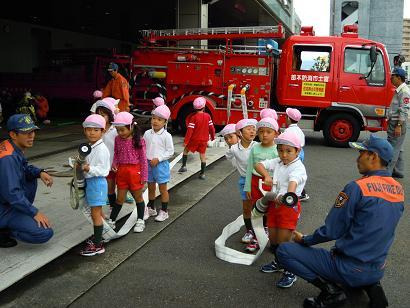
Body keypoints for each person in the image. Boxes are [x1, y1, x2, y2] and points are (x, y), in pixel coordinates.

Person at [276, 134, 403, 308]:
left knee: (284, 251)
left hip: (348, 266)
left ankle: (333, 291)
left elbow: (332, 231)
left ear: (373, 156)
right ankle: (367, 286)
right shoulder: (398, 189)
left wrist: (304, 239)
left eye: (361, 153)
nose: (357, 158)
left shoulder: (357, 187)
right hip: (377, 268)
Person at [253, 130, 307, 288]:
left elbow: (293, 183)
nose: (284, 155)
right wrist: (266, 176)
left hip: (288, 206)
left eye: (288, 151)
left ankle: (291, 271)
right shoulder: (278, 162)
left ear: (298, 151)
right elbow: (259, 164)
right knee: (274, 240)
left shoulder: (298, 168)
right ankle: (279, 262)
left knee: (285, 242)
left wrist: (288, 195)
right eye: (280, 150)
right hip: (274, 204)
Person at [0, 114, 53, 248]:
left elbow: (24, 168)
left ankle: (13, 220)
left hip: (6, 203)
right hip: (4, 208)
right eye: (26, 132)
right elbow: (12, 193)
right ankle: (5, 229)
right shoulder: (8, 159)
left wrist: (40, 172)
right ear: (13, 134)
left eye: (33, 131)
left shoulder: (10, 146)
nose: (32, 135)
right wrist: (34, 212)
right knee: (44, 233)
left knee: (31, 177)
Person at [243, 117, 279, 252]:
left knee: (270, 210)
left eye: (268, 132)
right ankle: (256, 237)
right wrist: (247, 186)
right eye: (261, 131)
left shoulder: (278, 150)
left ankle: (267, 231)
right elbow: (249, 168)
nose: (264, 135)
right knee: (256, 210)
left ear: (276, 133)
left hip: (271, 184)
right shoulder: (255, 148)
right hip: (255, 182)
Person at [109, 112, 148, 232]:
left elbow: (143, 159)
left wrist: (144, 176)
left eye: (122, 130)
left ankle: (140, 220)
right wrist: (114, 164)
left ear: (131, 127)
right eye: (117, 130)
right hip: (121, 172)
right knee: (120, 198)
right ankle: (112, 221)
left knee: (138, 197)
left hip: (134, 171)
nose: (120, 133)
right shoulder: (117, 139)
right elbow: (116, 153)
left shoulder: (139, 140)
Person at [79, 114, 111, 256]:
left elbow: (104, 170)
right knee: (97, 213)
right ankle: (102, 235)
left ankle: (98, 245)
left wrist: (88, 168)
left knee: (95, 214)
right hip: (91, 183)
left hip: (97, 184)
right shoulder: (90, 147)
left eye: (96, 130)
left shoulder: (102, 149)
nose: (92, 132)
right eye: (89, 129)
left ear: (103, 131)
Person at [225, 119, 257, 244]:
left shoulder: (256, 146)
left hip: (257, 179)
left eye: (254, 129)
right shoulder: (234, 149)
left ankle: (262, 229)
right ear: (239, 132)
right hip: (244, 180)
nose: (252, 131)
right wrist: (236, 165)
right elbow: (228, 156)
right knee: (246, 208)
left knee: (259, 207)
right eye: (249, 129)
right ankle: (249, 231)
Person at [143, 105, 174, 222]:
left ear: (165, 121)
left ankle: (164, 211)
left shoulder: (167, 136)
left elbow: (170, 151)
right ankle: (151, 208)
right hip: (148, 163)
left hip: (161, 165)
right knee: (150, 187)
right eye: (154, 118)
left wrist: (159, 158)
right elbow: (143, 148)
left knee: (162, 189)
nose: (155, 121)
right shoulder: (147, 133)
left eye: (159, 119)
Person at [178, 97, 215, 180]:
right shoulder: (208, 116)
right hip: (204, 140)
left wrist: (186, 141)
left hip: (194, 139)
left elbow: (189, 131)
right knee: (202, 156)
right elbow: (212, 128)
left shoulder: (193, 117)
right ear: (204, 107)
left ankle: (184, 166)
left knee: (186, 150)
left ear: (194, 108)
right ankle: (202, 174)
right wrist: (212, 137)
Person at [95, 99, 118, 213]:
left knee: (125, 187)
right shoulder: (97, 130)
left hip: (117, 164)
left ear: (109, 115)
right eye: (98, 115)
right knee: (110, 188)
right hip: (105, 165)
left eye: (103, 115)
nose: (100, 117)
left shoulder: (116, 129)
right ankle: (112, 207)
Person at [387, 67, 409, 178]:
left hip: (397, 123)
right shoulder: (399, 90)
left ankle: (387, 172)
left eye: (393, 76)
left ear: (398, 78)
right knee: (398, 147)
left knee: (393, 147)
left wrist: (399, 125)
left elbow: (404, 109)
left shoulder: (404, 91)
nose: (391, 78)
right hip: (395, 122)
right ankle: (398, 171)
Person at [284, 107, 309, 200]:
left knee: (289, 173)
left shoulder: (288, 131)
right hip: (300, 152)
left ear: (289, 119)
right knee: (296, 172)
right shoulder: (300, 131)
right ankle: (301, 192)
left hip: (292, 154)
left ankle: (298, 193)